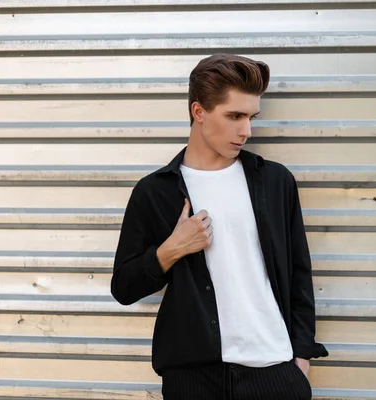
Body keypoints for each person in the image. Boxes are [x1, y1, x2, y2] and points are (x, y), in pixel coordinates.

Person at [111, 53, 328, 400]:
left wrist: (301, 356)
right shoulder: (156, 191)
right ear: (199, 112)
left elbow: (299, 274)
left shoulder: (274, 181)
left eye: (251, 117)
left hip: (273, 370)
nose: (247, 130)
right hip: (193, 378)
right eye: (234, 116)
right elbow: (123, 287)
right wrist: (171, 250)